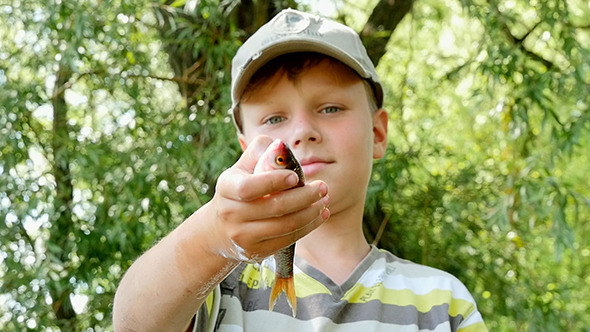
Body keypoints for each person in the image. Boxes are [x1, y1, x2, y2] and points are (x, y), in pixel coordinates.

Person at [113, 8, 488, 332]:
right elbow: (133, 323)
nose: (302, 131)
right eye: (275, 118)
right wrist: (212, 233)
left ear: (377, 133)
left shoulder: (443, 303)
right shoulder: (216, 289)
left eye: (330, 109)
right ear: (247, 150)